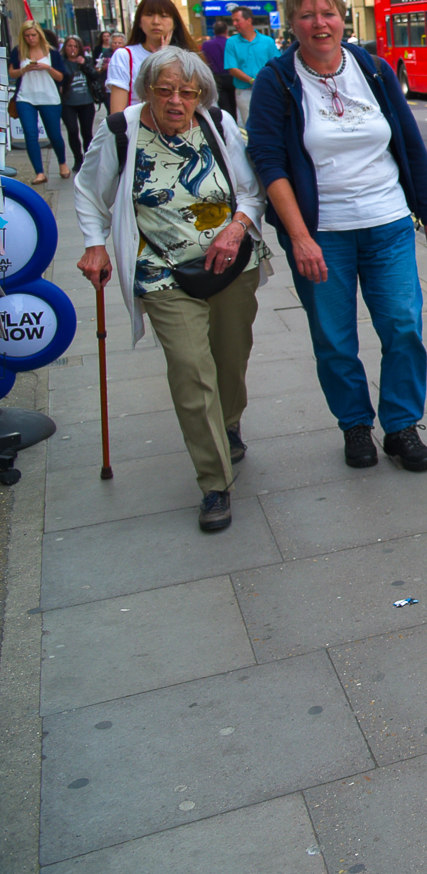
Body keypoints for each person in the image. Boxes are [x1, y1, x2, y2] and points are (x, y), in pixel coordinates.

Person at [246, 0, 427, 472]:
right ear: (292, 22)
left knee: (403, 326)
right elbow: (268, 162)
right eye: (308, 14)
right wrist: (299, 238)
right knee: (334, 338)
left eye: (329, 13)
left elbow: (408, 141)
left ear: (343, 18)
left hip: (388, 223)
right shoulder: (278, 80)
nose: (320, 23)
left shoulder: (373, 70)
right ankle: (355, 425)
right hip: (322, 234)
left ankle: (401, 426)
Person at [74, 48, 269, 533]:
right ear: (146, 91)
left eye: (187, 92)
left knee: (230, 358)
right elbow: (86, 189)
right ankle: (214, 482)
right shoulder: (122, 130)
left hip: (230, 263)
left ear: (201, 93)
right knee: (189, 369)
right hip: (160, 271)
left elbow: (251, 189)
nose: (177, 101)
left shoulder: (218, 124)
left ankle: (228, 423)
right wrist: (95, 245)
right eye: (165, 91)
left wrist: (236, 228)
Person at [108, 0, 200, 113]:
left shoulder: (189, 57)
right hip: (138, 127)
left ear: (174, 23)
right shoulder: (124, 56)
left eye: (164, 16)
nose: (156, 22)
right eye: (149, 15)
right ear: (139, 22)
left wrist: (165, 58)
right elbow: (117, 113)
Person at [7, 20, 71, 184]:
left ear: (39, 35)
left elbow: (61, 77)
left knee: (54, 134)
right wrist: (24, 69)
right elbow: (12, 73)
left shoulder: (52, 53)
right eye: (27, 36)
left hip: (49, 97)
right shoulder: (18, 51)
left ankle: (62, 163)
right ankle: (39, 172)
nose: (30, 38)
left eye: (33, 35)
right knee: (30, 134)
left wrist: (47, 68)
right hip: (25, 97)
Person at [224, 6, 278, 122]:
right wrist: (252, 81)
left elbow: (277, 63)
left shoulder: (267, 41)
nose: (234, 23)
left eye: (237, 20)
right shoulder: (231, 43)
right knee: (250, 124)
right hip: (244, 92)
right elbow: (232, 69)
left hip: (267, 90)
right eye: (233, 21)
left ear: (249, 20)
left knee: (270, 122)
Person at [59, 34, 102, 172]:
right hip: (68, 102)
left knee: (87, 132)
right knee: (72, 131)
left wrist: (84, 64)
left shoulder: (86, 59)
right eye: (69, 46)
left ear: (80, 48)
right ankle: (78, 158)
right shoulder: (61, 62)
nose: (72, 49)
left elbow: (95, 76)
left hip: (86, 101)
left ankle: (89, 160)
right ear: (65, 47)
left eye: (75, 46)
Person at [201, 18, 238, 119]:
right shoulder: (231, 43)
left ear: (214, 31)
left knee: (223, 105)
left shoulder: (207, 45)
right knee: (233, 103)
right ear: (226, 31)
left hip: (217, 78)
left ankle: (225, 123)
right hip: (232, 77)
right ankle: (233, 124)